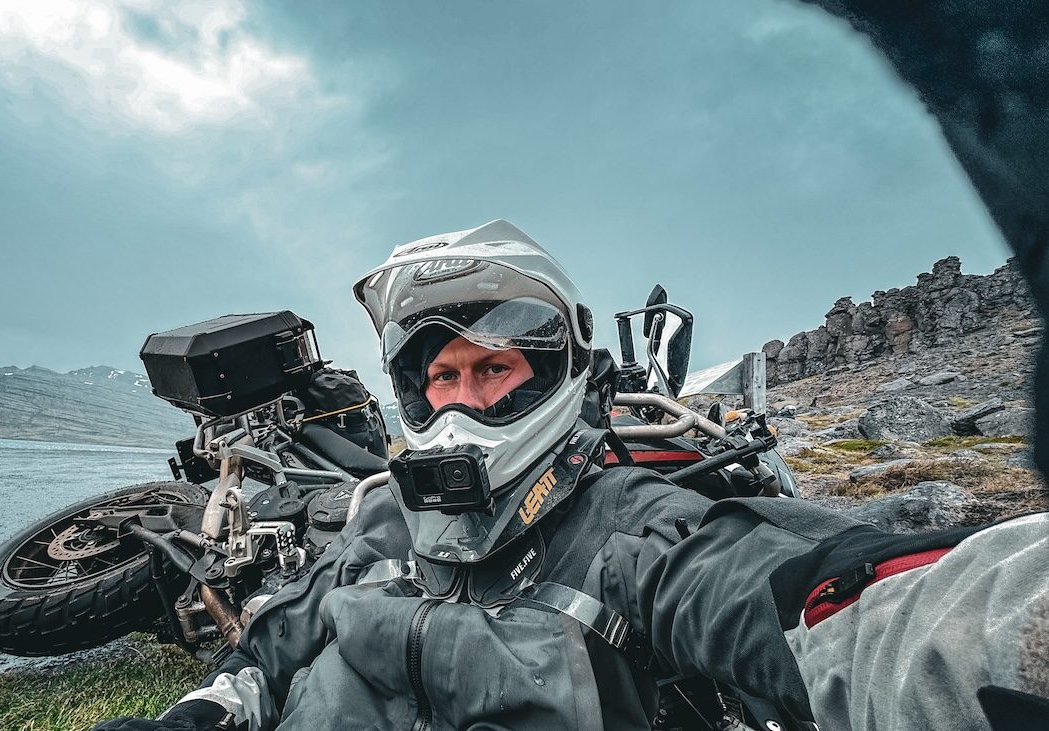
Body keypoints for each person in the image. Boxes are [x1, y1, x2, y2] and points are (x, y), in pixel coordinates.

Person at [93, 220, 1049, 731]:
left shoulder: (632, 529)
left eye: (494, 369)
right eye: (441, 377)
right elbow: (270, 651)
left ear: (554, 373)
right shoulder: (381, 519)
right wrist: (198, 712)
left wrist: (1000, 637)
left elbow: (846, 620)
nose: (463, 400)